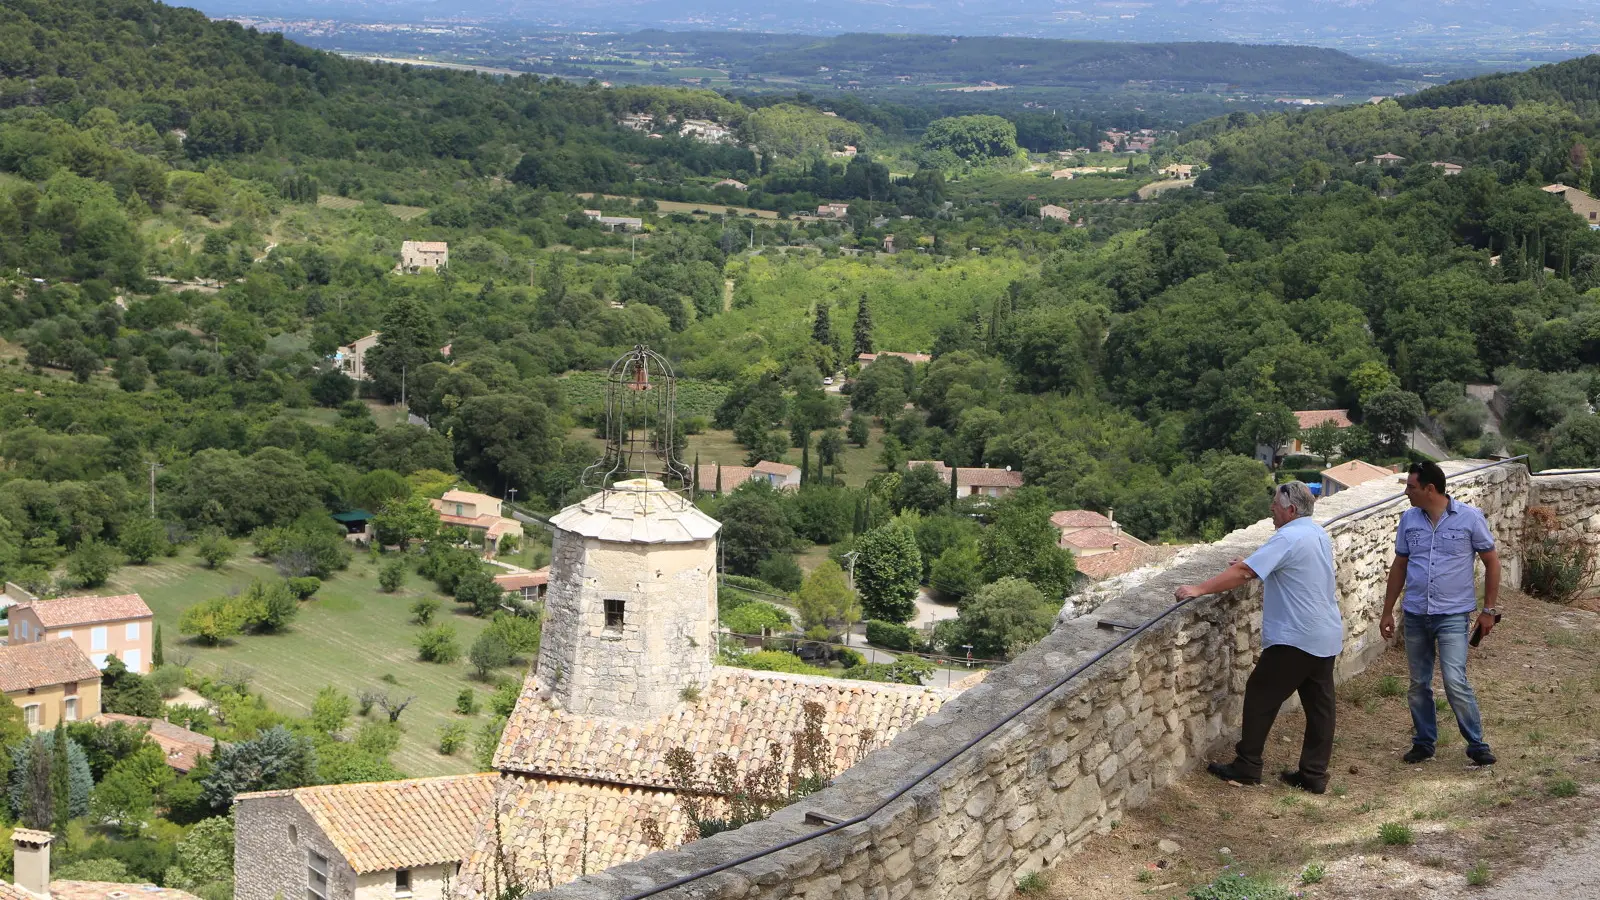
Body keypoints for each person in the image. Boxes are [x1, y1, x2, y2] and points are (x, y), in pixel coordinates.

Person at [1175, 481, 1343, 793]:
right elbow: (1271, 564)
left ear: (1290, 509)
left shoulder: (1289, 536)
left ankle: (1248, 765)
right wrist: (1249, 561)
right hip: (1325, 632)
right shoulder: (1315, 532)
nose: (1271, 510)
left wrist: (1198, 589)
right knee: (1320, 706)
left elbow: (1244, 574)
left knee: (1260, 694)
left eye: (1275, 506)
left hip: (1296, 636)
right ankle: (1314, 774)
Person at [1378, 461, 1501, 767]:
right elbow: (1400, 565)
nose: (1406, 492)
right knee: (1418, 683)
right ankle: (1423, 742)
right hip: (1417, 613)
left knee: (1454, 679)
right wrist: (1387, 611)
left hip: (1452, 615)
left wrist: (1488, 610)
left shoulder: (1469, 518)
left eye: (1411, 487)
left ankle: (1477, 744)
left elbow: (1492, 562)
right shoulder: (1409, 519)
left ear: (1429, 489)